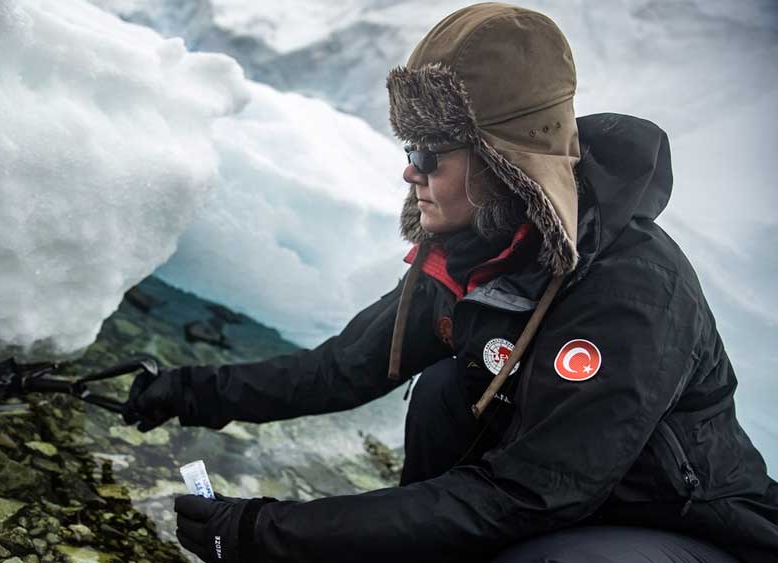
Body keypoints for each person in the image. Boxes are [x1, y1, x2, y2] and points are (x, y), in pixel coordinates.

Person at [123, 3, 778, 562]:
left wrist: (265, 533)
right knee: (443, 391)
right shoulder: (478, 252)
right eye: (410, 150)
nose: (411, 173)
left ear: (504, 161)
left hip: (681, 527)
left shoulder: (634, 296)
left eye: (428, 154)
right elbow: (339, 369)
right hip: (563, 491)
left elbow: (524, 495)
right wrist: (182, 392)